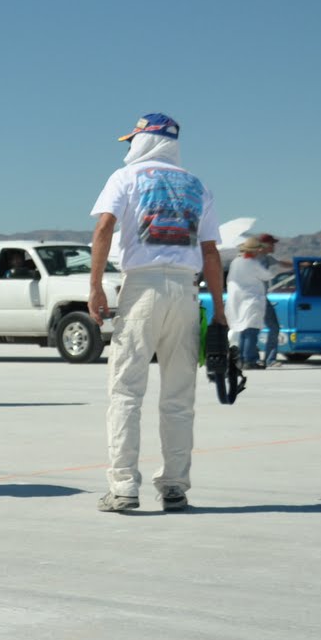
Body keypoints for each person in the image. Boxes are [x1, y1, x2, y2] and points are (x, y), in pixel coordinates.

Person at [88, 113, 224, 514]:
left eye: (132, 139)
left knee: (126, 392)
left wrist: (95, 285)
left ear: (145, 140)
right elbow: (211, 252)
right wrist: (219, 311)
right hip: (185, 292)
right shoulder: (197, 185)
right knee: (179, 397)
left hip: (142, 288)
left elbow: (104, 228)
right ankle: (175, 486)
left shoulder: (125, 177)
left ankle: (123, 486)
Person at [225, 237, 273, 369]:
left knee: (244, 331)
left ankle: (241, 359)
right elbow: (267, 275)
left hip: (238, 302)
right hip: (252, 301)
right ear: (255, 251)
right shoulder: (252, 263)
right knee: (251, 332)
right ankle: (249, 360)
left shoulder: (235, 262)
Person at [255, 234, 289, 366]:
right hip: (254, 298)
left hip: (263, 298)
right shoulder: (253, 259)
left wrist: (299, 264)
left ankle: (269, 359)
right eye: (272, 243)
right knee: (252, 328)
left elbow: (282, 263)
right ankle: (250, 358)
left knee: (273, 327)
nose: (274, 246)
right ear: (264, 245)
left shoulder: (267, 258)